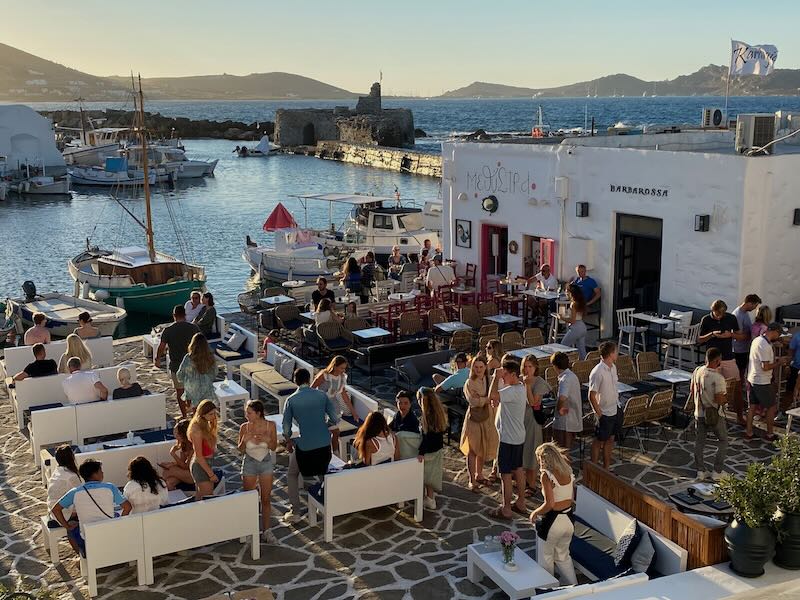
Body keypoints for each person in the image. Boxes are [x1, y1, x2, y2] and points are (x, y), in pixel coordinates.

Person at [282, 368, 339, 523]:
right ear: (309, 379)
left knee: (292, 474)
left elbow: (286, 427)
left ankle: (295, 511)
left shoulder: (291, 400)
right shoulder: (321, 395)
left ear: (295, 381)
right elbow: (334, 418)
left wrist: (288, 442)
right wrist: (325, 425)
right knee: (323, 473)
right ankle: (329, 502)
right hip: (324, 444)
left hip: (305, 447)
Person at [51, 459, 132, 556]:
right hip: (110, 533)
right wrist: (118, 524)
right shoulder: (110, 487)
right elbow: (127, 507)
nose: (102, 473)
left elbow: (55, 509)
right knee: (115, 514)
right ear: (95, 474)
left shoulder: (75, 492)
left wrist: (67, 526)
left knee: (71, 529)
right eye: (100, 471)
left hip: (87, 537)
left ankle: (83, 557)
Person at [530, 442, 578, 586]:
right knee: (563, 556)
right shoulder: (568, 471)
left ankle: (548, 591)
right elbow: (571, 498)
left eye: (539, 459)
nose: (539, 463)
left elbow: (550, 504)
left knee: (546, 558)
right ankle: (575, 588)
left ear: (544, 458)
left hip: (553, 522)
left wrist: (534, 513)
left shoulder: (547, 475)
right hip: (569, 520)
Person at [488, 358, 528, 520]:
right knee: (518, 468)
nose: (502, 377)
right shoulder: (520, 387)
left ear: (513, 374)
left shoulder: (511, 391)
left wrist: (495, 378)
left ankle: (506, 508)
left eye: (505, 374)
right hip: (518, 436)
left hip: (508, 439)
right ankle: (521, 502)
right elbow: (497, 398)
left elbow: (492, 395)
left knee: (505, 474)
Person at [237, 400, 278, 543]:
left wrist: (267, 440)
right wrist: (244, 440)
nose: (246, 415)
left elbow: (274, 447)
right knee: (249, 498)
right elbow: (240, 449)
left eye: (249, 413)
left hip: (265, 463)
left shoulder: (270, 426)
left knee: (265, 499)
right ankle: (249, 529)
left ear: (258, 413)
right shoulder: (244, 427)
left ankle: (266, 531)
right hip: (249, 463)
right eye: (246, 412)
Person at [460, 356, 499, 490]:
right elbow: (473, 401)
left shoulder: (489, 380)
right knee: (473, 449)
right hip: (474, 419)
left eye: (481, 367)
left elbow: (495, 396)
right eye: (476, 367)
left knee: (483, 447)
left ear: (485, 367)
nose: (478, 370)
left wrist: (482, 398)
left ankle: (479, 474)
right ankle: (472, 479)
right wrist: (486, 399)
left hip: (488, 417)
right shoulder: (469, 383)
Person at [746, 323, 789, 442]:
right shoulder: (764, 345)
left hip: (753, 378)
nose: (779, 336)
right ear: (774, 331)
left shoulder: (757, 340)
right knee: (771, 407)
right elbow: (765, 367)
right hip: (762, 381)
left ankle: (749, 432)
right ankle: (770, 434)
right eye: (779, 333)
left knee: (752, 407)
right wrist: (779, 363)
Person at [691, 348, 729, 481]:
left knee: (699, 442)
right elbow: (719, 399)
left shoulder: (697, 371)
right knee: (723, 440)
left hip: (699, 411)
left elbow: (692, 389)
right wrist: (726, 399)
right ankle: (717, 471)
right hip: (714, 414)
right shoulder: (718, 378)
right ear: (717, 360)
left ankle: (700, 470)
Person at [155, 305, 200, 412]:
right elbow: (201, 344)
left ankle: (184, 415)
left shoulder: (168, 330)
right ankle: (194, 415)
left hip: (176, 367)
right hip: (192, 365)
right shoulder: (193, 328)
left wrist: (157, 359)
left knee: (180, 392)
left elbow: (161, 347)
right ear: (184, 315)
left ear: (174, 316)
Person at [312, 355, 358, 452]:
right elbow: (311, 389)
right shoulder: (324, 375)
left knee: (335, 432)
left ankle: (335, 453)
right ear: (335, 366)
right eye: (341, 368)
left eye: (344, 368)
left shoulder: (342, 378)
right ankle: (325, 452)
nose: (343, 370)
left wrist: (353, 412)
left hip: (333, 406)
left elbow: (344, 395)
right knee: (327, 432)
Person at [731, 294, 762, 424]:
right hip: (739, 350)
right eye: (754, 305)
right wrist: (752, 335)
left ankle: (738, 401)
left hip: (744, 350)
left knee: (741, 376)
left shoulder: (744, 313)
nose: (755, 308)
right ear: (749, 303)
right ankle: (734, 402)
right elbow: (737, 335)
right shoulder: (738, 315)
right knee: (738, 378)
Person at [521, 355, 549, 494]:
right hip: (520, 419)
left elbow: (533, 403)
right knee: (522, 450)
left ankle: (531, 484)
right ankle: (523, 480)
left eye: (530, 366)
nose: (527, 369)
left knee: (531, 451)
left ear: (535, 367)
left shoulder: (539, 383)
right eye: (525, 366)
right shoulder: (520, 379)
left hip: (532, 420)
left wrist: (527, 386)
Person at [588, 341, 619, 469]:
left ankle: (606, 468)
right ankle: (594, 469)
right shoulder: (597, 372)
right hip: (604, 413)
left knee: (610, 439)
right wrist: (599, 414)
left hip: (614, 409)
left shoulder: (613, 367)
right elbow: (591, 395)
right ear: (611, 353)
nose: (617, 353)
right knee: (598, 441)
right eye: (616, 351)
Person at [417, 388, 448, 510]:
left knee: (427, 476)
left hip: (430, 450)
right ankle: (429, 496)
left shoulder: (428, 416)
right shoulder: (438, 413)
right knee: (431, 474)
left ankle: (430, 499)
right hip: (438, 448)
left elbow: (427, 437)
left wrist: (421, 452)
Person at [698, 299, 743, 383]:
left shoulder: (731, 318)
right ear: (713, 310)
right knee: (712, 384)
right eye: (718, 314)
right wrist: (712, 334)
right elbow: (700, 340)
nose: (720, 316)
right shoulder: (706, 319)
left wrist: (730, 335)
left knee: (735, 382)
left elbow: (740, 336)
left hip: (727, 356)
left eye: (723, 314)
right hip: (712, 358)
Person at [176, 333, 218, 416]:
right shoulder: (210, 357)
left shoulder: (188, 358)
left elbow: (180, 374)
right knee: (207, 412)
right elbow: (215, 372)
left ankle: (197, 427)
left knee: (196, 413)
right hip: (206, 388)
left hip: (192, 389)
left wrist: (184, 380)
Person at [551, 352, 583, 452]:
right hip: (572, 420)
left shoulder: (565, 379)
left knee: (562, 452)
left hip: (565, 422)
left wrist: (558, 409)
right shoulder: (572, 376)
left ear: (555, 366)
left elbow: (562, 398)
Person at [187, 400, 219, 499]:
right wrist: (211, 474)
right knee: (208, 497)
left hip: (205, 463)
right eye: (211, 414)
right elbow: (199, 456)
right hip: (200, 465)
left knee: (201, 496)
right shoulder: (197, 430)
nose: (214, 416)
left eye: (214, 413)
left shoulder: (205, 424)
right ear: (203, 414)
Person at [47, 445, 81, 523]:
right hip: (64, 514)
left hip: (52, 510)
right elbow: (79, 496)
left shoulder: (57, 471)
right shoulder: (71, 477)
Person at [159, 419, 194, 490]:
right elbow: (182, 463)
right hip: (186, 472)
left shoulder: (193, 446)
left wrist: (173, 454)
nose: (174, 435)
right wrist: (172, 464)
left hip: (194, 474)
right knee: (169, 482)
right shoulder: (183, 444)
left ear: (183, 435)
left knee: (168, 471)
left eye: (176, 433)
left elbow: (186, 467)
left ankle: (156, 486)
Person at [558, 285, 587, 359]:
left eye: (567, 292)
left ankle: (563, 364)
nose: (566, 293)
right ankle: (585, 366)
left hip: (576, 328)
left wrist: (561, 317)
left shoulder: (573, 304)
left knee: (563, 346)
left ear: (571, 293)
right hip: (582, 326)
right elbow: (578, 316)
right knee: (582, 351)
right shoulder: (580, 303)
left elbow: (573, 320)